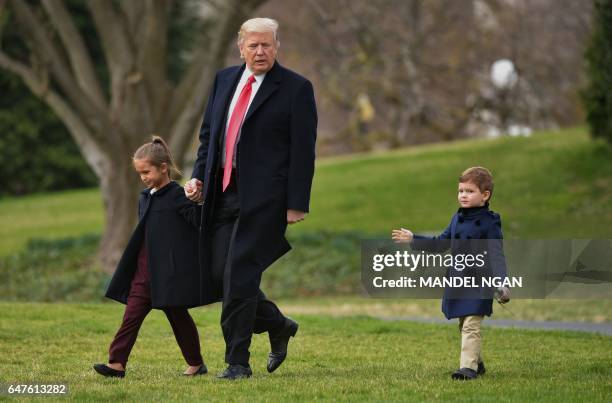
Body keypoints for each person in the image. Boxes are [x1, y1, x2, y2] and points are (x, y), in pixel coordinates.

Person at [185, 17, 317, 379]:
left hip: (266, 200)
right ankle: (278, 325)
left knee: (240, 276)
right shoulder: (224, 80)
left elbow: (304, 152)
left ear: (277, 47)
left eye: (267, 45)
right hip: (222, 193)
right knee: (220, 276)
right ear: (240, 46)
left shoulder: (296, 89)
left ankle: (237, 362)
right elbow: (209, 136)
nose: (261, 51)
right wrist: (198, 177)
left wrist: (296, 202)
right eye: (254, 45)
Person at [94, 136, 217, 378]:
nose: (143, 177)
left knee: (178, 316)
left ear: (164, 168)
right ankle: (116, 363)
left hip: (168, 274)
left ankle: (196, 363)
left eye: (146, 171)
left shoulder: (177, 195)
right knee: (131, 315)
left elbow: (198, 223)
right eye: (140, 173)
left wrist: (200, 201)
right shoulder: (145, 197)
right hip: (144, 271)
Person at [392, 166, 510, 380]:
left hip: (480, 283)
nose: (463, 195)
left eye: (469, 191)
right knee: (464, 324)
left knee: (471, 325)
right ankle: (477, 362)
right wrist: (414, 239)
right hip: (458, 281)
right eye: (460, 191)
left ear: (485, 195)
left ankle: (468, 369)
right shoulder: (457, 219)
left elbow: (496, 254)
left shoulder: (490, 223)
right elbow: (440, 244)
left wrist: (502, 282)